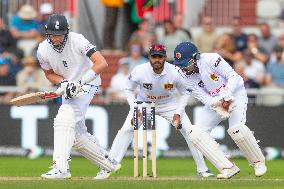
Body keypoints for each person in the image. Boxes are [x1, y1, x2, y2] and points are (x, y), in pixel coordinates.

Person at [96, 44, 242, 179]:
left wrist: (178, 113)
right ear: (149, 58)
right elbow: (128, 88)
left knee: (191, 132)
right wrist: (135, 108)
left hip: (169, 104)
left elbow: (185, 92)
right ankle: (108, 167)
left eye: (160, 57)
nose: (157, 60)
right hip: (143, 104)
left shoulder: (175, 71)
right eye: (154, 56)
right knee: (126, 129)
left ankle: (202, 169)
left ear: (165, 58)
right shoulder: (140, 71)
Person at [37, 14, 120, 179]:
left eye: (60, 35)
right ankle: (109, 164)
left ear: (67, 32)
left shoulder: (78, 40)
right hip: (69, 86)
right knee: (76, 136)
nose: (56, 38)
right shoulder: (42, 50)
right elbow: (49, 74)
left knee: (63, 118)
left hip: (88, 81)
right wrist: (63, 83)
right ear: (47, 33)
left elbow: (102, 63)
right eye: (53, 34)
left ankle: (61, 168)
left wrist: (79, 82)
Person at [172, 42, 267, 178]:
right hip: (216, 100)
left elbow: (233, 77)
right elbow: (203, 96)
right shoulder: (185, 76)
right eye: (180, 65)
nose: (183, 68)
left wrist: (226, 96)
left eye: (185, 64)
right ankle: (227, 167)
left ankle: (258, 162)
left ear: (195, 57)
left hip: (235, 93)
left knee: (237, 129)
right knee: (195, 133)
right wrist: (217, 103)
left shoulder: (212, 59)